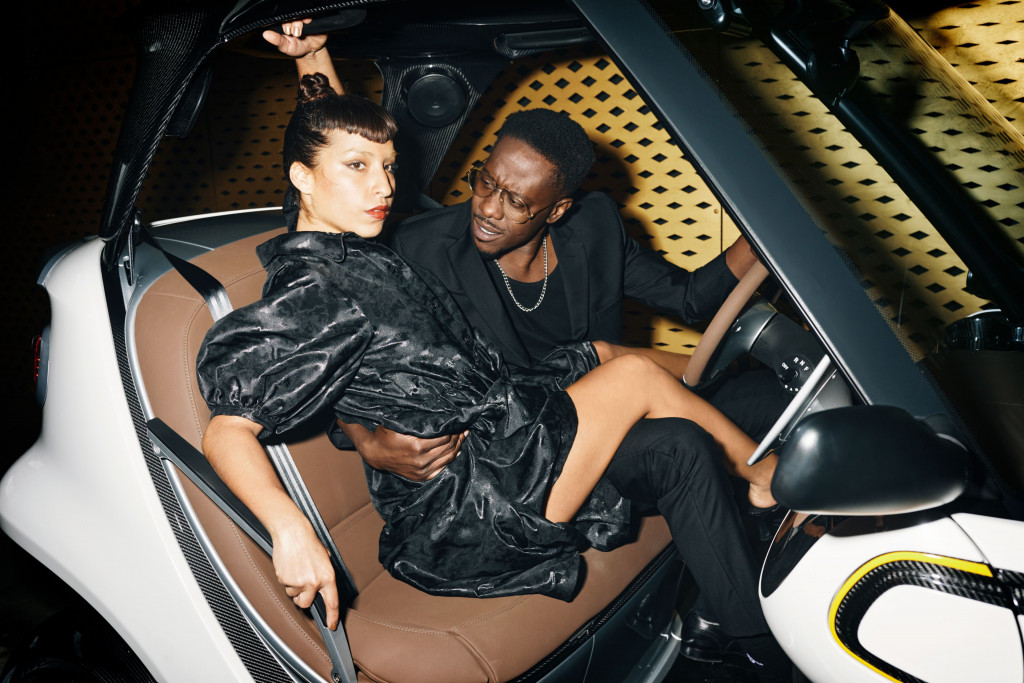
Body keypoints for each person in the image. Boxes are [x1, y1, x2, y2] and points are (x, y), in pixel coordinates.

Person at [198, 74, 790, 681]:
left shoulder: (352, 251)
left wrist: (317, 81)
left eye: (389, 166)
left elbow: (321, 170)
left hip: (501, 443)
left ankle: (750, 584)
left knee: (623, 366)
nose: (384, 185)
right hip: (466, 506)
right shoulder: (316, 289)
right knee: (635, 375)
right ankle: (764, 480)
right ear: (301, 177)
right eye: (359, 167)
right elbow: (226, 429)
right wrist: (291, 529)